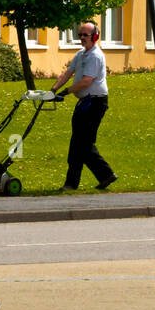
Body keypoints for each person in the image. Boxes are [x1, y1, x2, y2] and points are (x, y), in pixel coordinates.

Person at [52, 21, 118, 190]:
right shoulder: (81, 54)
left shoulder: (95, 56)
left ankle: (103, 175)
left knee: (83, 144)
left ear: (94, 37)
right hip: (85, 102)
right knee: (78, 143)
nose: (81, 38)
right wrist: (53, 90)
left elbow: (86, 82)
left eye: (85, 35)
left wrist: (65, 92)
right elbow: (68, 72)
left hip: (95, 102)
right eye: (79, 35)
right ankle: (78, 182)